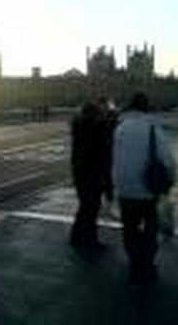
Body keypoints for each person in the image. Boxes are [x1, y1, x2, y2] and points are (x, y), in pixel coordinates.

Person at [112, 92, 176, 281]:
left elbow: (114, 159)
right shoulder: (153, 129)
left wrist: (115, 184)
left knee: (130, 229)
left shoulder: (120, 129)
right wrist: (170, 180)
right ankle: (146, 264)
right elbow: (167, 159)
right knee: (150, 229)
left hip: (126, 189)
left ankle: (135, 262)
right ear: (147, 108)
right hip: (149, 189)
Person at [70, 101, 109, 251]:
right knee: (91, 208)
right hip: (93, 173)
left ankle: (77, 236)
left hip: (80, 172)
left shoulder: (79, 126)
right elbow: (102, 150)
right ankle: (89, 239)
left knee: (85, 207)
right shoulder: (96, 128)